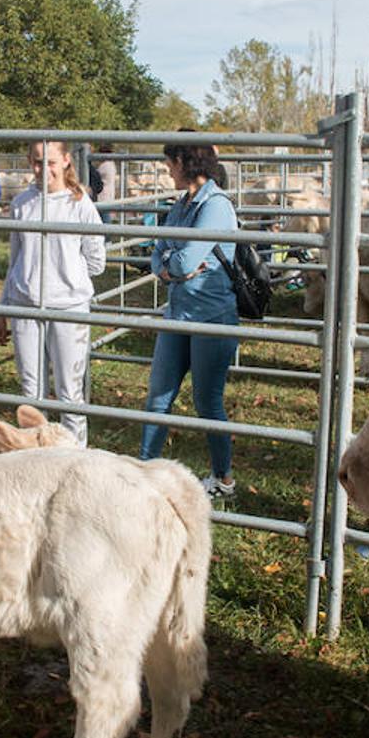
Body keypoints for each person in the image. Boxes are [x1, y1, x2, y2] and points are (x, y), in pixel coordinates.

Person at [137, 136, 240, 497]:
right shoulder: (182, 205)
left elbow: (179, 259)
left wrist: (171, 264)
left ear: (187, 161)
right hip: (178, 312)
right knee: (158, 396)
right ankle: (144, 472)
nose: (167, 169)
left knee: (207, 401)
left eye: (170, 162)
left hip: (211, 316)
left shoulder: (216, 206)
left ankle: (223, 479)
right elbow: (160, 254)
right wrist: (169, 267)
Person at [0, 140, 105, 445]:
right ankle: (36, 456)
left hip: (68, 306)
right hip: (25, 304)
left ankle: (75, 457)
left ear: (67, 160)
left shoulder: (79, 204)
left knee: (70, 391)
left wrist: (66, 275)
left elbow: (97, 261)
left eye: (51, 162)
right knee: (31, 390)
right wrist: (4, 310)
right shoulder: (22, 203)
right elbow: (14, 259)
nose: (44, 169)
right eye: (38, 162)